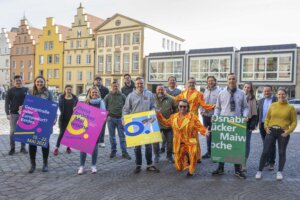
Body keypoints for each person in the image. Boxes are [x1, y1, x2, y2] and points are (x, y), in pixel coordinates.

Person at [157, 99, 209, 177]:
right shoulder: (173, 116)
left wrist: (205, 131)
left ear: (187, 108)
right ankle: (186, 159)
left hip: (190, 142)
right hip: (178, 143)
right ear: (178, 107)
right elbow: (166, 123)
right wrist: (158, 114)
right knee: (179, 168)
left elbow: (200, 127)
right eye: (181, 106)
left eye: (184, 107)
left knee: (193, 155)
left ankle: (191, 170)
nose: (182, 108)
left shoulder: (192, 117)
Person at [212, 73, 248, 179]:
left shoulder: (242, 93)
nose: (231, 81)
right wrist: (215, 116)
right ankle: (220, 168)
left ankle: (237, 170)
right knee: (223, 145)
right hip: (223, 123)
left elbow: (245, 107)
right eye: (229, 79)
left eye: (233, 79)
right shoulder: (221, 93)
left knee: (236, 147)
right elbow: (217, 108)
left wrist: (245, 116)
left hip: (236, 123)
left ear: (236, 81)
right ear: (227, 81)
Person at [255, 88, 297, 180]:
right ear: (277, 95)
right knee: (265, 151)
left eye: (283, 94)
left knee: (282, 152)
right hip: (271, 131)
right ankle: (259, 171)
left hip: (283, 132)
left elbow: (294, 122)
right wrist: (266, 127)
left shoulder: (290, 108)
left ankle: (279, 172)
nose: (281, 96)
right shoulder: (273, 105)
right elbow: (267, 118)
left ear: (286, 95)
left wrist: (288, 131)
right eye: (279, 94)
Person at [122, 77, 160, 174]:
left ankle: (149, 165)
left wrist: (153, 110)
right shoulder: (130, 96)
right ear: (135, 85)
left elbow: (153, 105)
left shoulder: (149, 94)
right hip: (136, 124)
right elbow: (126, 109)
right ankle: (138, 165)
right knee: (137, 147)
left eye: (141, 83)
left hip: (148, 123)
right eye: (138, 83)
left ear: (144, 84)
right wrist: (124, 119)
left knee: (148, 145)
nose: (140, 85)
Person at [172, 77, 215, 162]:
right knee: (184, 138)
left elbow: (204, 105)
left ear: (195, 84)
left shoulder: (199, 94)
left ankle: (196, 157)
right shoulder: (183, 93)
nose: (191, 84)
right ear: (187, 84)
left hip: (193, 119)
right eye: (190, 82)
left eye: (193, 83)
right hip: (183, 118)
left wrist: (213, 106)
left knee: (194, 138)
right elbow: (174, 99)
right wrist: (165, 95)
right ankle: (185, 156)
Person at [27, 76, 55, 173]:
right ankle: (33, 164)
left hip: (45, 121)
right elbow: (27, 105)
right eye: (38, 82)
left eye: (41, 82)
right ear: (35, 82)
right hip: (33, 121)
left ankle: (45, 164)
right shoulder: (30, 92)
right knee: (32, 143)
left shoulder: (49, 93)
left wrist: (54, 118)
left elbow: (53, 106)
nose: (39, 83)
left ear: (44, 83)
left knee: (44, 143)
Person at [78, 86, 106, 175]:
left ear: (98, 93)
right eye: (92, 92)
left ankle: (93, 165)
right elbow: (80, 114)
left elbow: (103, 114)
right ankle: (81, 166)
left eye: (96, 92)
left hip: (95, 128)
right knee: (83, 147)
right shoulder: (86, 102)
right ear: (90, 94)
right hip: (85, 128)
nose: (94, 94)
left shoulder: (101, 102)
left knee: (94, 148)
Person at [104, 81, 131, 160]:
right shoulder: (107, 96)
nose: (115, 87)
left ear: (118, 86)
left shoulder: (122, 96)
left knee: (122, 137)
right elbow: (104, 107)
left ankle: (124, 152)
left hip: (120, 119)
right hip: (111, 119)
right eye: (114, 86)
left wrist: (124, 117)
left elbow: (126, 107)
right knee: (112, 137)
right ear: (111, 87)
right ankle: (113, 151)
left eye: (116, 86)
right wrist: (107, 115)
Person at [153, 85, 177, 163]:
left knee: (170, 142)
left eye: (162, 90)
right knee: (155, 142)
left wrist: (173, 118)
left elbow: (176, 109)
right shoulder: (152, 99)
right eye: (159, 90)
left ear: (164, 90)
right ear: (156, 91)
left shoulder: (171, 99)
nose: (160, 91)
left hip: (168, 124)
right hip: (156, 124)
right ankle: (157, 155)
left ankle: (169, 156)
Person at [5, 75, 28, 155]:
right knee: (13, 131)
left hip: (24, 114)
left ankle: (23, 148)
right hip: (13, 114)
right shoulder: (10, 90)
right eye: (17, 80)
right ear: (14, 82)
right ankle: (12, 148)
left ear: (22, 80)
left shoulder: (26, 90)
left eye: (20, 80)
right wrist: (7, 113)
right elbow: (7, 102)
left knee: (24, 131)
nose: (18, 81)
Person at [54, 85, 78, 155]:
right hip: (63, 118)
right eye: (68, 89)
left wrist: (76, 108)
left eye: (70, 89)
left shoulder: (75, 98)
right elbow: (59, 107)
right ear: (65, 90)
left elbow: (79, 107)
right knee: (61, 133)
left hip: (72, 119)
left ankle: (68, 147)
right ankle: (56, 148)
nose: (69, 91)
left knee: (70, 133)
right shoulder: (61, 98)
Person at [257, 85, 277, 170]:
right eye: (265, 91)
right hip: (262, 125)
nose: (266, 93)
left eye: (268, 91)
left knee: (271, 144)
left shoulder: (276, 100)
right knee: (265, 144)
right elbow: (258, 113)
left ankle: (271, 162)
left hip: (272, 126)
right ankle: (267, 160)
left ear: (271, 91)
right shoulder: (261, 101)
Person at [201, 76, 220, 159]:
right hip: (205, 116)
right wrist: (201, 111)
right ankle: (209, 152)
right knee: (208, 134)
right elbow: (201, 102)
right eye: (209, 81)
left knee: (215, 135)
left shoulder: (219, 91)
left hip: (214, 116)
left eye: (212, 81)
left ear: (215, 81)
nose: (210, 82)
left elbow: (220, 104)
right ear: (207, 82)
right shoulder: (205, 91)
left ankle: (216, 154)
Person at [242, 82, 258, 171]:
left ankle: (244, 162)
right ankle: (238, 161)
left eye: (248, 87)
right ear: (243, 88)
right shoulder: (239, 96)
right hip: (238, 123)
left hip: (248, 123)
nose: (246, 89)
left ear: (251, 89)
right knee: (239, 143)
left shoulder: (252, 98)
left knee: (246, 144)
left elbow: (255, 113)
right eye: (245, 87)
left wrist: (252, 125)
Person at [93, 76, 109, 148]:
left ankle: (101, 141)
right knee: (93, 126)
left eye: (99, 80)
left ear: (101, 81)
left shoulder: (105, 89)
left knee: (102, 127)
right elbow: (87, 98)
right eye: (97, 80)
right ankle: (94, 140)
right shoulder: (91, 89)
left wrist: (107, 110)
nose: (98, 81)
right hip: (93, 110)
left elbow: (108, 100)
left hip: (102, 110)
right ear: (94, 81)